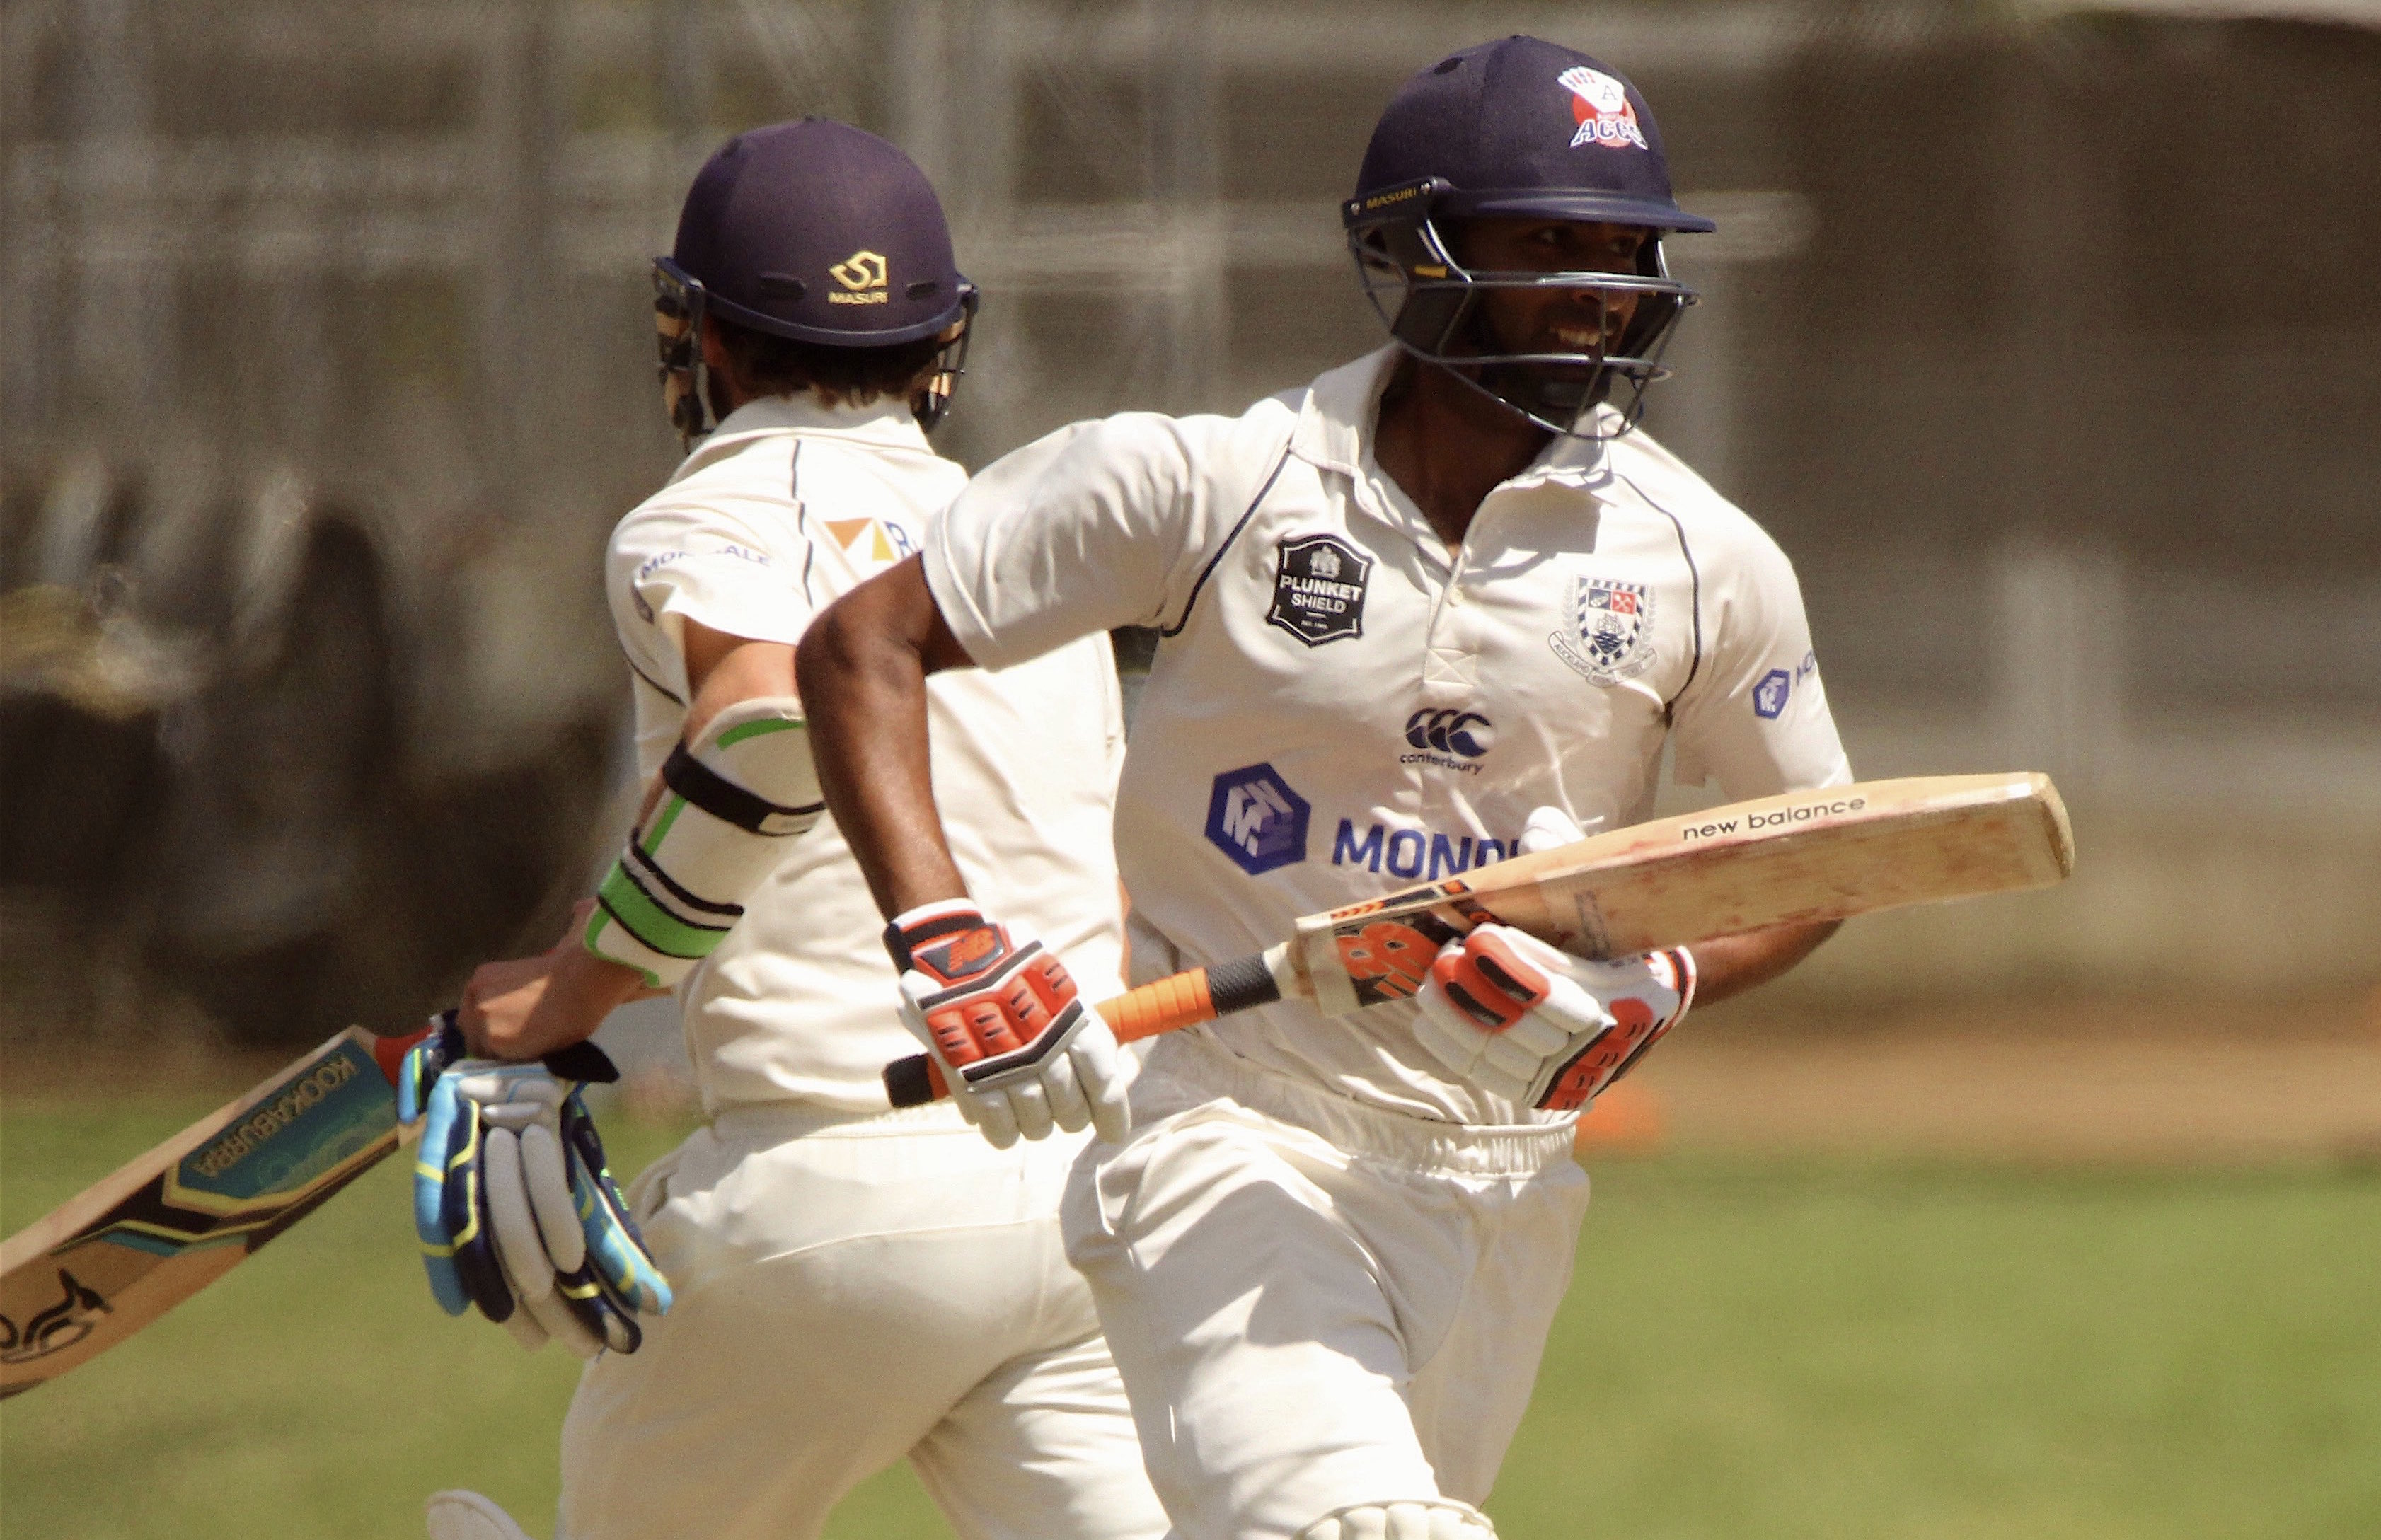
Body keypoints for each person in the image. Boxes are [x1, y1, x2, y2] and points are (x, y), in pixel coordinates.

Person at [795, 38, 1854, 1540]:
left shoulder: (1703, 558)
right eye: (1549, 240)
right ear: (1416, 248)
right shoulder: (1209, 487)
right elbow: (866, 643)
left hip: (1506, 1176)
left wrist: (1656, 988)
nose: (1603, 288)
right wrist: (944, 938)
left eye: (1627, 249)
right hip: (1227, 1131)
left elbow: (1820, 852)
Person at [420, 120, 1168, 1540]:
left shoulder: (702, 512)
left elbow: (765, 725)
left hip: (830, 1195)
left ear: (702, 337)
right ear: (940, 342)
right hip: (1080, 1194)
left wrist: (568, 998)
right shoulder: (1010, 539)